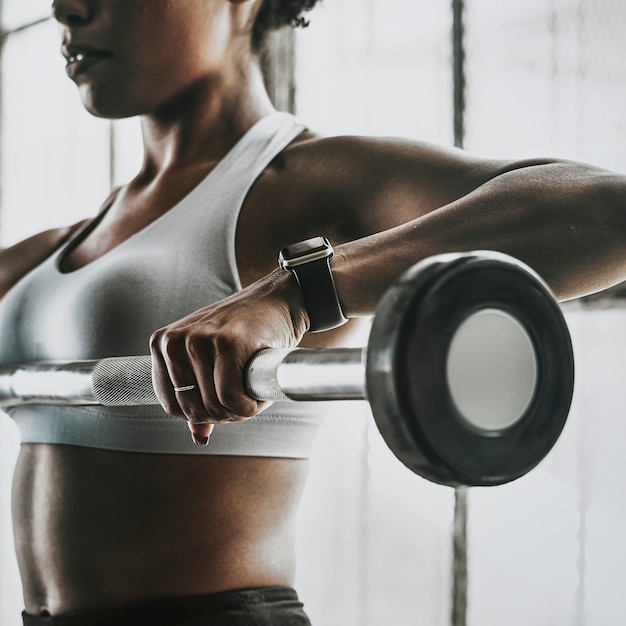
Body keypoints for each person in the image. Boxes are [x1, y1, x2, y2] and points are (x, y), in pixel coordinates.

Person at [1, 0, 625, 624]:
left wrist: (294, 295)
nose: (67, 8)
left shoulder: (307, 180)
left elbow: (608, 212)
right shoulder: (63, 244)